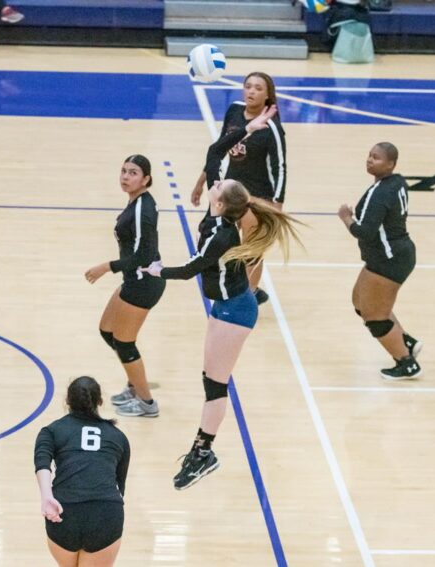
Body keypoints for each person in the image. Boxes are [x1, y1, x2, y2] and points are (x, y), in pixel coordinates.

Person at [145, 106, 302, 489]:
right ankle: (202, 450)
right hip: (225, 306)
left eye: (216, 186)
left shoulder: (223, 234)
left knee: (216, 383)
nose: (214, 183)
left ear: (219, 201)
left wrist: (156, 271)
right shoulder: (222, 213)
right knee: (210, 379)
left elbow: (191, 269)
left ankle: (203, 451)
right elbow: (215, 154)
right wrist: (246, 129)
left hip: (236, 309)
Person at [190, 72, 287, 306]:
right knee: (209, 234)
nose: (251, 91)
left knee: (252, 249)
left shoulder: (272, 128)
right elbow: (219, 148)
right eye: (248, 86)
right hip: (231, 190)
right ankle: (239, 284)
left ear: (267, 96)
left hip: (258, 196)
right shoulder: (234, 110)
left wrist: (277, 203)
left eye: (258, 88)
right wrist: (201, 181)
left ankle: (250, 296)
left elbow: (280, 166)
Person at [84, 155, 166, 418]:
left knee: (125, 342)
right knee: (108, 331)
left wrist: (107, 266)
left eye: (133, 173)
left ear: (146, 179)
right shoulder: (135, 202)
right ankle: (135, 383)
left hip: (144, 282)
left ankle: (146, 403)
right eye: (123, 171)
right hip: (133, 278)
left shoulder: (144, 209)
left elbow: (144, 254)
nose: (126, 177)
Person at [338, 142, 423, 381]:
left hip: (389, 260)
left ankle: (406, 363)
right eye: (369, 156)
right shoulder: (397, 182)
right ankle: (405, 340)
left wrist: (346, 218)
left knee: (375, 317)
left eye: (376, 158)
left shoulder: (381, 192)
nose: (370, 160)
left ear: (391, 164)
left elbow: (364, 232)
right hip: (389, 255)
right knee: (359, 302)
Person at [34, 376, 130, 567]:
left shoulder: (51, 431)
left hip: (64, 511)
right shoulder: (118, 437)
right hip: (105, 512)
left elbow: (42, 462)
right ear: (100, 402)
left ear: (67, 401)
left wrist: (46, 496)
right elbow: (120, 486)